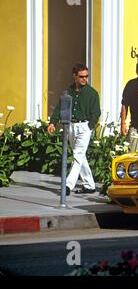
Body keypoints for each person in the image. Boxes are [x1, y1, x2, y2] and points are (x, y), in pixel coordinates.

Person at [47, 63, 101, 195]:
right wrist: (52, 122)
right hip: (70, 126)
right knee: (80, 156)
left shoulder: (92, 93)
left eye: (86, 76)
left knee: (77, 155)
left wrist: (90, 126)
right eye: (82, 76)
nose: (84, 79)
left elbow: (96, 112)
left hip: (84, 126)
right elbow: (60, 107)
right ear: (74, 76)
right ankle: (89, 185)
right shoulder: (67, 91)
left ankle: (68, 186)